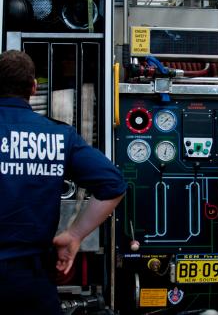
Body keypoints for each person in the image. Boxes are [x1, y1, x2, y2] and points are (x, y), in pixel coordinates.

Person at [0, 50, 127, 315]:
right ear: (34, 88)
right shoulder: (59, 136)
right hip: (31, 281)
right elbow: (113, 184)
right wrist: (75, 234)